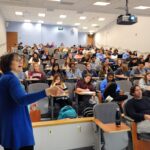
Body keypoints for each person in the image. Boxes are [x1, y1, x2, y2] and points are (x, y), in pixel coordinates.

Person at [0, 53, 64, 150]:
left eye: (21, 59)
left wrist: (29, 102)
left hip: (11, 128)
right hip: (18, 129)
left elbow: (15, 100)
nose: (21, 61)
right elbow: (21, 100)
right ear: (8, 63)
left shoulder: (4, 78)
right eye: (17, 60)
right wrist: (47, 91)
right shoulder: (11, 79)